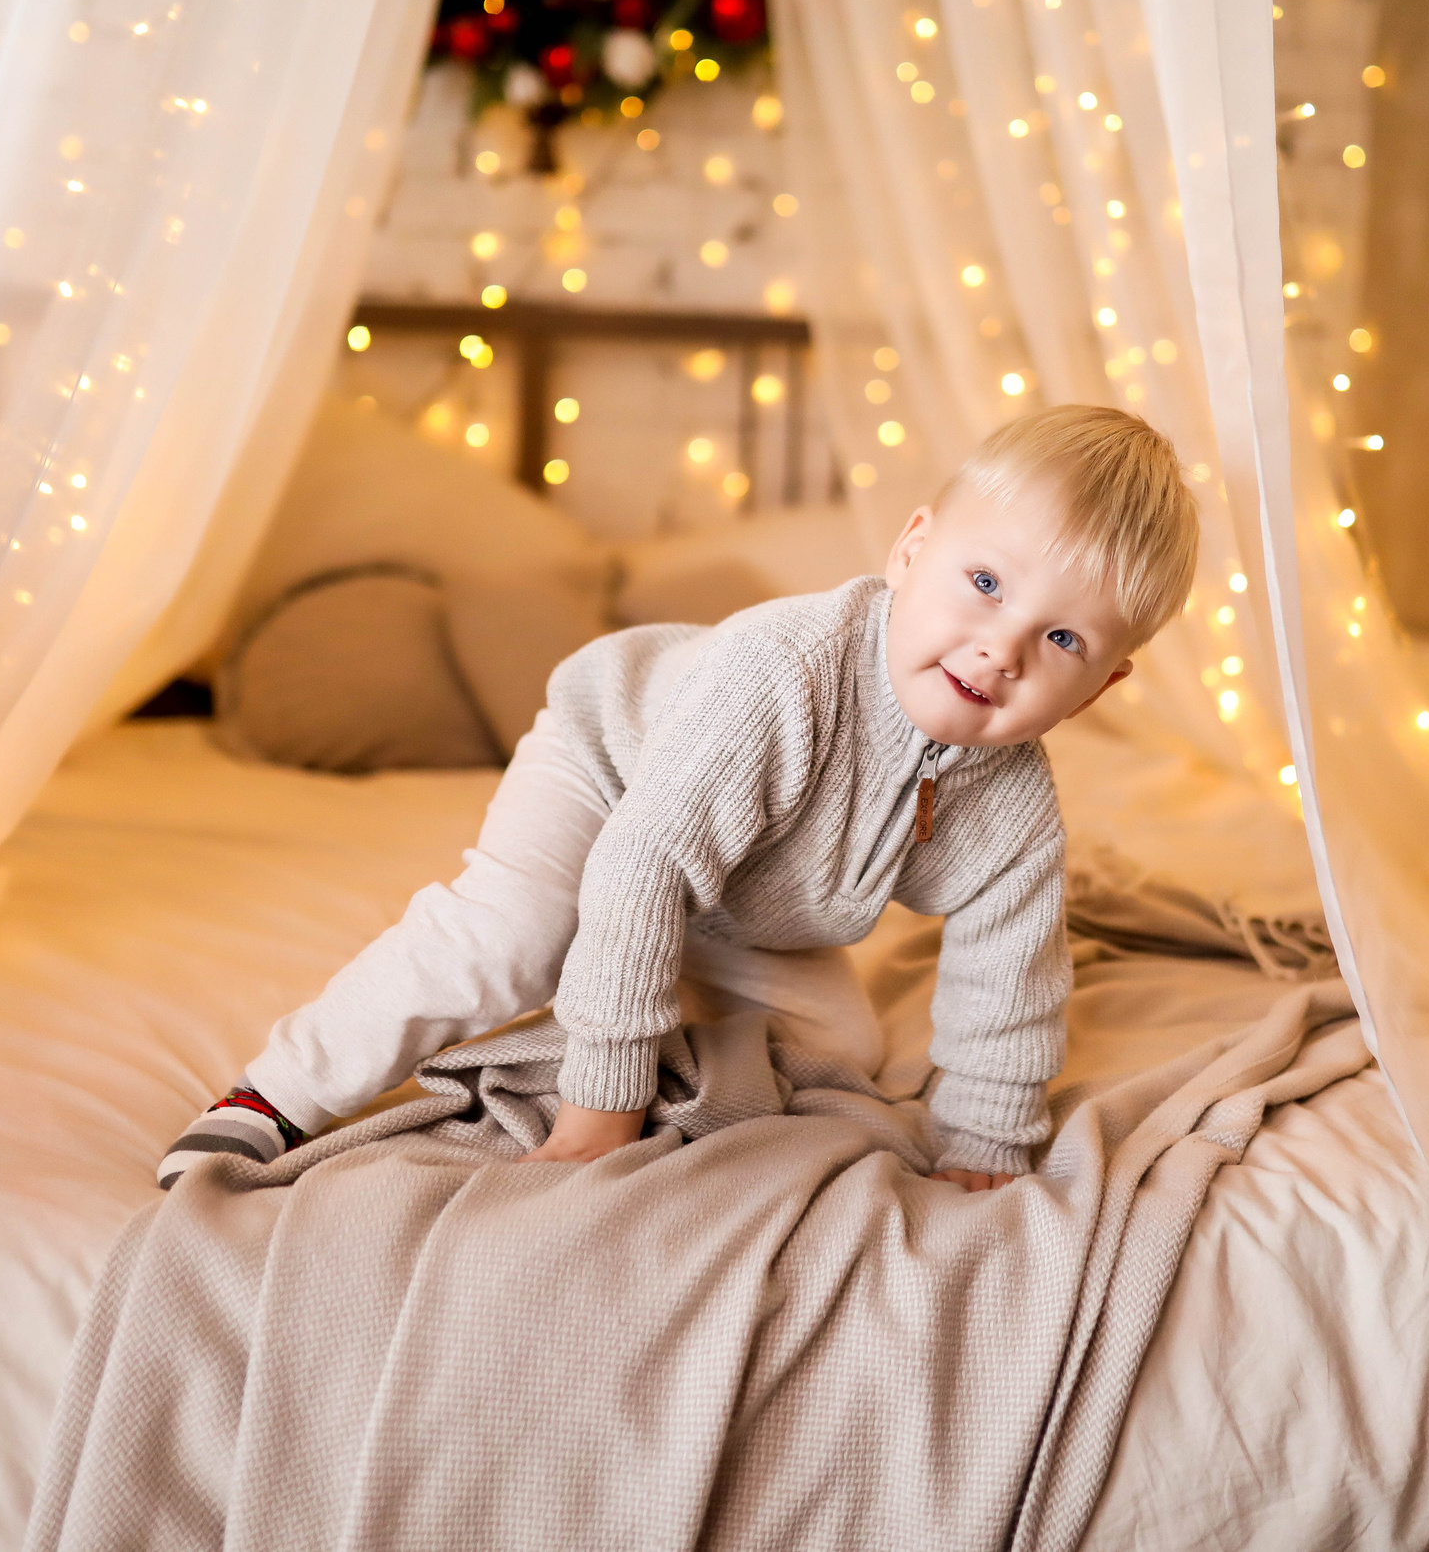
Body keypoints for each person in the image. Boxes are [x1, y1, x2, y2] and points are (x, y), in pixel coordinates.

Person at [158, 404, 1200, 1194]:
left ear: (1100, 687)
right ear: (912, 549)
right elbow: (643, 862)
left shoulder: (1012, 804)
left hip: (752, 895)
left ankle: (644, 970)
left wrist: (982, 1147)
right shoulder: (782, 673)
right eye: (983, 583)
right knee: (511, 935)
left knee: (843, 1053)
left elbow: (1006, 981)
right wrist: (603, 1104)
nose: (999, 648)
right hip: (613, 782)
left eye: (1061, 639)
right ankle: (276, 1092)